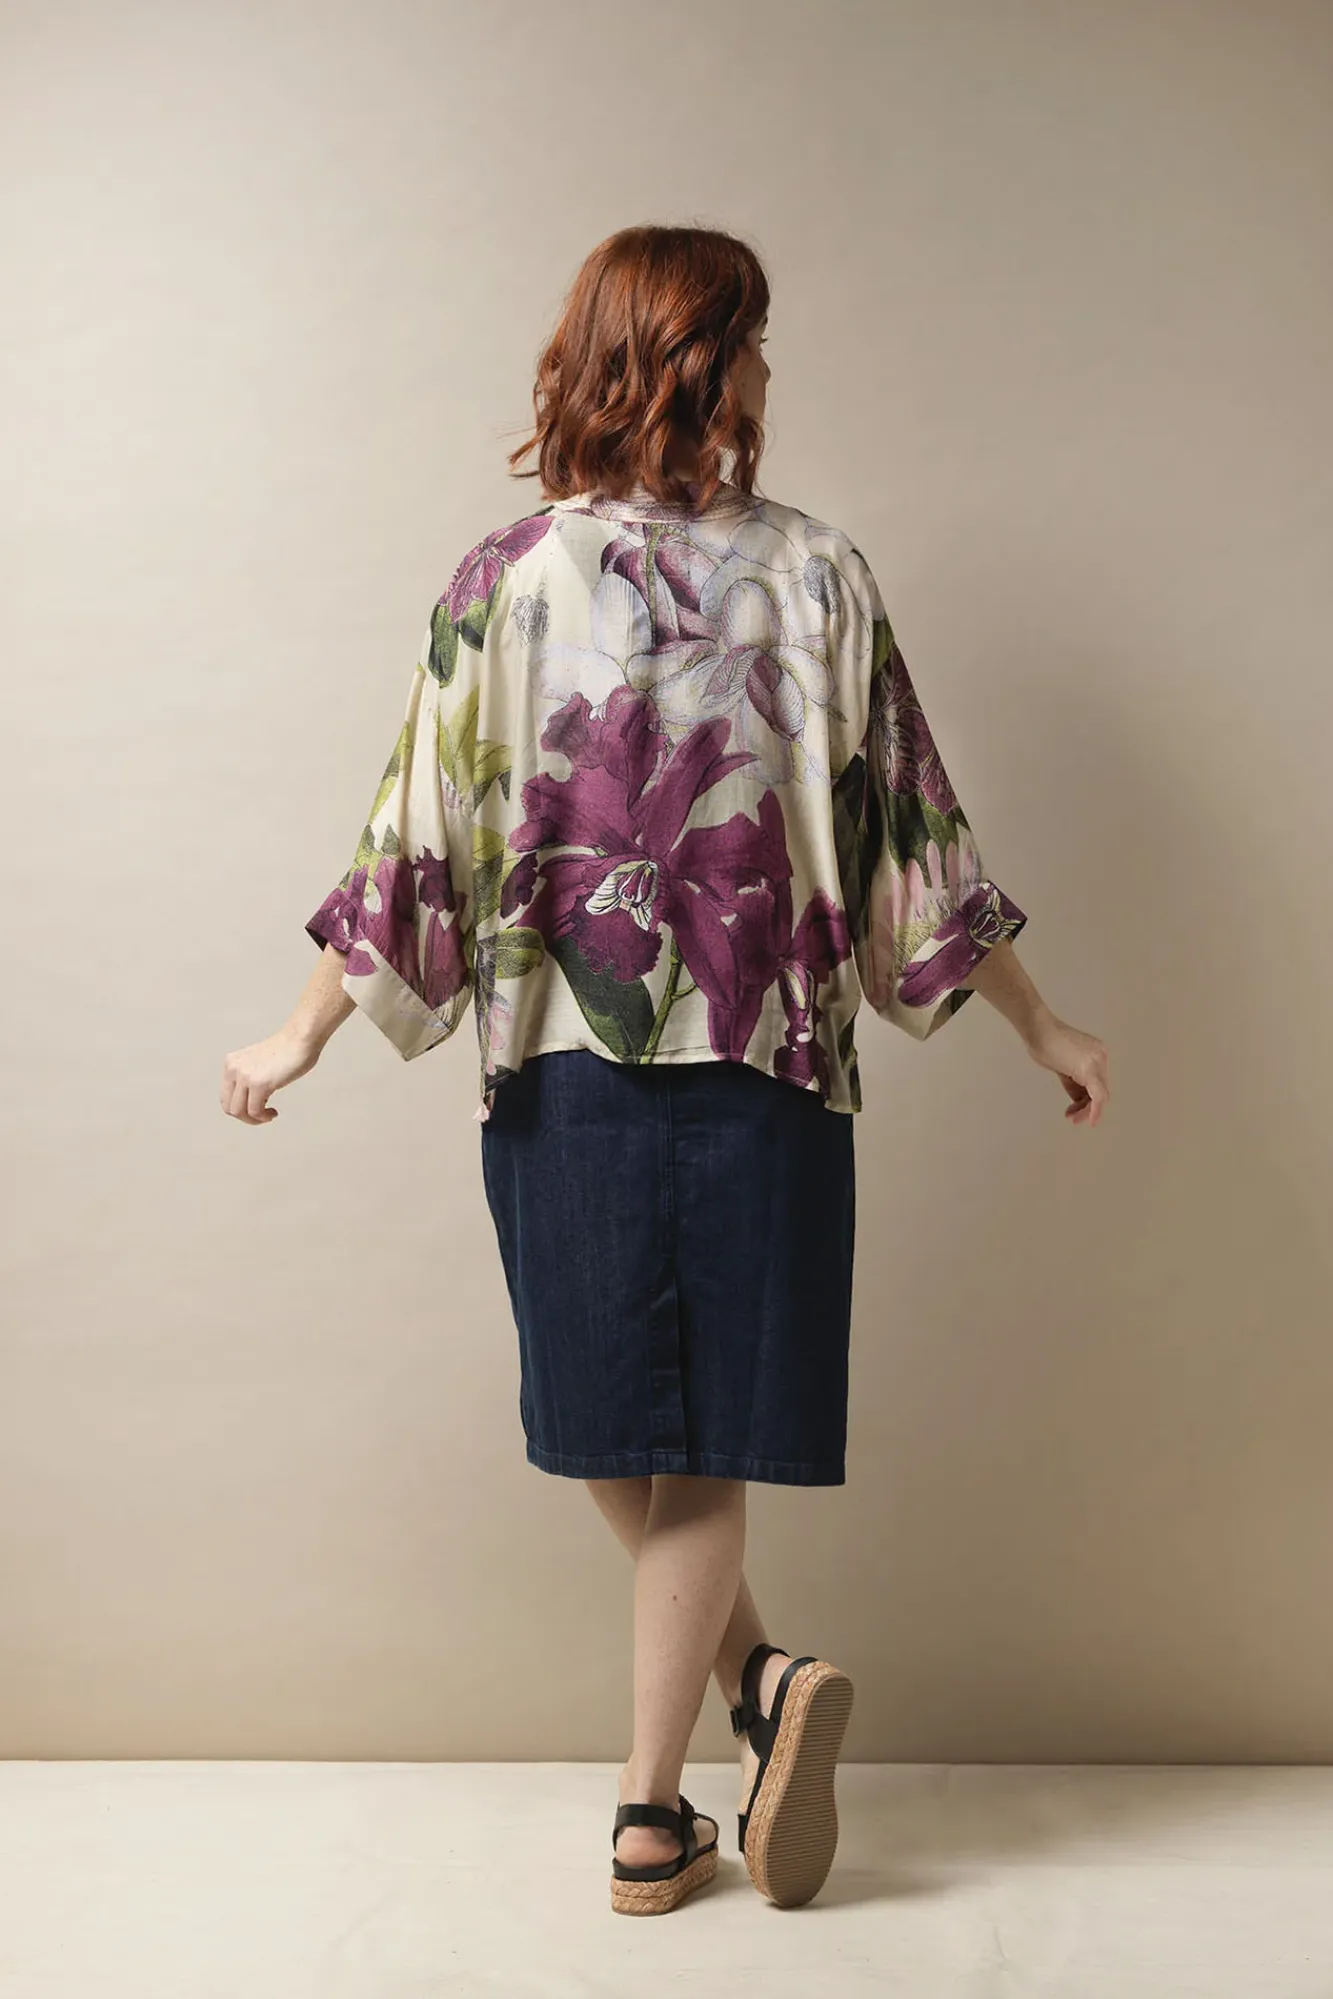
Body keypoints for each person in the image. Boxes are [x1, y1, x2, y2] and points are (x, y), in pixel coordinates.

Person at [220, 223, 1110, 1917]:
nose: (770, 372)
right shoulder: (812, 576)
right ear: (699, 359)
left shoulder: (509, 579)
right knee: (650, 1436)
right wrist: (1040, 1023)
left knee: (646, 1431)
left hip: (566, 1069)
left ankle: (651, 1813)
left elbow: (414, 841)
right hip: (760, 1068)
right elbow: (911, 842)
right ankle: (761, 1688)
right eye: (754, 341)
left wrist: (306, 1030)